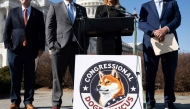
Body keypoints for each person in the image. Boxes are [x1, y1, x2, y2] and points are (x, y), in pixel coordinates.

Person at [46, 0, 89, 108]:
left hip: (77, 48)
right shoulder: (55, 7)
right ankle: (56, 102)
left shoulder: (81, 9)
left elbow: (86, 29)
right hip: (59, 48)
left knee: (78, 77)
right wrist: (51, 44)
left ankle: (78, 101)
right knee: (57, 77)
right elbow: (49, 27)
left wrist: (85, 46)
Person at [138, 0, 181, 109]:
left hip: (169, 42)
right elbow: (142, 22)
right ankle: (150, 102)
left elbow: (177, 19)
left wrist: (165, 29)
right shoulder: (145, 6)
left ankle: (169, 102)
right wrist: (154, 31)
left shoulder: (172, 3)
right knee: (150, 74)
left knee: (170, 73)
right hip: (150, 43)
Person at [3, 0, 45, 108]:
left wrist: (41, 48)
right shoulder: (12, 12)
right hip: (15, 50)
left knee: (30, 78)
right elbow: (7, 30)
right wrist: (7, 45)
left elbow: (41, 32)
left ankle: (28, 102)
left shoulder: (38, 14)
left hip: (30, 51)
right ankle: (15, 102)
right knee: (14, 76)